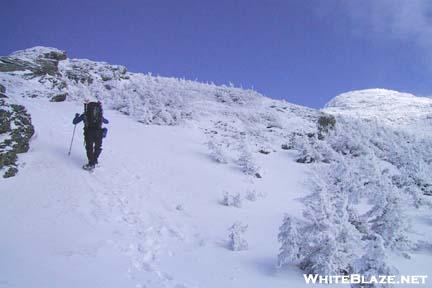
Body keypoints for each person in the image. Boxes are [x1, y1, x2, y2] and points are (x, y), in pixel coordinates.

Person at [73, 101, 109, 170]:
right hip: (99, 132)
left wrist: (76, 116)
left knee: (89, 148)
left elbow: (75, 122)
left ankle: (91, 163)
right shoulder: (99, 115)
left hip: (89, 133)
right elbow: (107, 121)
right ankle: (95, 160)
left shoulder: (85, 115)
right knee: (97, 147)